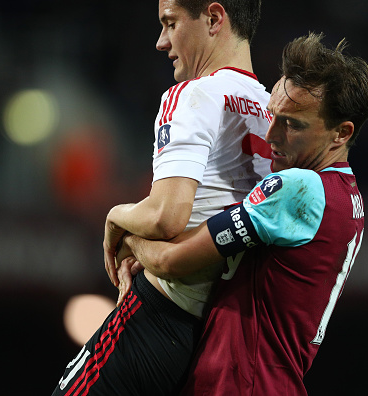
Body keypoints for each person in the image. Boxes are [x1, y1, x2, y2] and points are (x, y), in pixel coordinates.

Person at [115, 31, 368, 395]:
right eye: (273, 115)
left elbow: (172, 260)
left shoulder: (300, 189)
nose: (270, 134)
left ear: (340, 134)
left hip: (242, 386)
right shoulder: (346, 198)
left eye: (292, 124)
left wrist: (128, 235)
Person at [52, 1, 271, 395]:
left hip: (156, 319)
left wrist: (115, 218)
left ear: (214, 18)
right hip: (218, 339)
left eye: (170, 24)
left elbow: (166, 216)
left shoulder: (192, 95)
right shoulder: (275, 113)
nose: (161, 41)